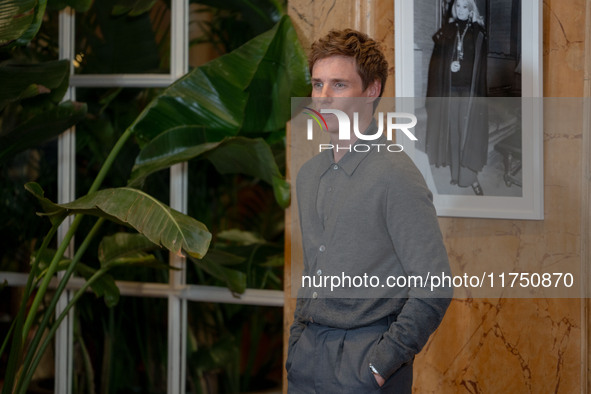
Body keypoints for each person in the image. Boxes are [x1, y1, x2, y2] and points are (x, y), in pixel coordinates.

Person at [286, 29, 452, 393]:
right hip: (307, 358)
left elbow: (435, 286)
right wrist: (297, 340)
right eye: (317, 84)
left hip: (365, 364)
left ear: (371, 90)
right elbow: (315, 269)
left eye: (339, 85)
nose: (323, 98)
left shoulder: (396, 175)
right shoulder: (308, 175)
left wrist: (379, 365)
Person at [425, 0, 488, 195]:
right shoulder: (448, 30)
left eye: (465, 7)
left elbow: (480, 67)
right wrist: (449, 68)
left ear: (471, 10)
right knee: (453, 131)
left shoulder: (479, 32)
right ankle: (455, 174)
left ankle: (469, 177)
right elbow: (438, 63)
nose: (461, 10)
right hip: (451, 89)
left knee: (467, 132)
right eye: (458, 6)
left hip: (469, 92)